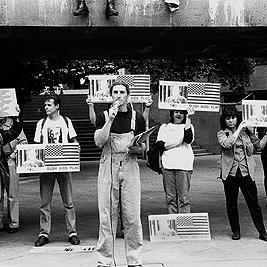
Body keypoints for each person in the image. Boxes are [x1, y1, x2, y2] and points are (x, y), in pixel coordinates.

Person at [94, 82, 146, 267]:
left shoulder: (136, 117)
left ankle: (135, 260)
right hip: (108, 164)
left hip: (130, 164)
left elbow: (143, 148)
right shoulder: (103, 116)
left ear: (128, 96)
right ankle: (104, 260)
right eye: (115, 92)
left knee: (132, 214)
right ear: (111, 95)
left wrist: (138, 148)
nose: (118, 95)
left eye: (122, 92)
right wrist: (110, 119)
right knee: (107, 215)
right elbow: (99, 142)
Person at [33, 94, 80, 247]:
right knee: (45, 202)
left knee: (68, 201)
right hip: (47, 167)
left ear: (57, 106)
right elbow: (37, 145)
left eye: (49, 105)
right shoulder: (41, 123)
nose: (46, 107)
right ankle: (44, 233)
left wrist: (77, 147)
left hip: (64, 165)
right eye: (45, 105)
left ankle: (72, 232)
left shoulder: (66, 122)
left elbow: (73, 140)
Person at [217, 106, 267, 241]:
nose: (231, 121)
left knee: (254, 203)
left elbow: (258, 146)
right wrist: (239, 129)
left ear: (237, 118)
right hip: (230, 174)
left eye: (233, 118)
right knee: (231, 204)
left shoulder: (246, 134)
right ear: (225, 120)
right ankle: (236, 231)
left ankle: (262, 232)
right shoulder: (222, 133)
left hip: (246, 172)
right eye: (228, 118)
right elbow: (227, 144)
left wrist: (251, 133)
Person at [156, 108, 194, 214]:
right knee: (170, 198)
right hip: (167, 165)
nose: (178, 114)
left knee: (183, 199)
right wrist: (177, 141)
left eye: (181, 113)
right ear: (172, 113)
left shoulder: (188, 126)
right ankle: (172, 223)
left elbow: (188, 139)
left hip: (184, 166)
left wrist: (188, 119)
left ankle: (184, 225)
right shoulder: (164, 127)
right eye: (176, 112)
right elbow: (160, 145)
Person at [0, 116, 27, 233]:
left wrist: (14, 155)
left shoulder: (15, 125)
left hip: (11, 161)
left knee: (13, 194)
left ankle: (14, 224)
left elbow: (24, 142)